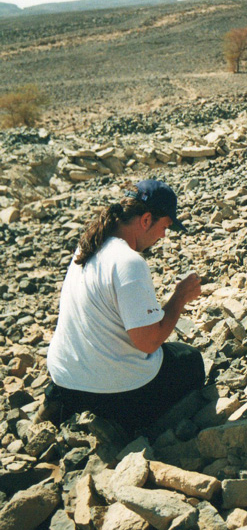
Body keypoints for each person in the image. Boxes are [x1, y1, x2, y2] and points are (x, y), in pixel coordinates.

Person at [42, 179, 205, 436]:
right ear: (146, 219)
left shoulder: (87, 247)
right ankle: (127, 430)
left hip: (65, 383)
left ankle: (63, 407)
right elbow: (149, 342)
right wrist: (179, 298)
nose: (163, 236)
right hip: (114, 398)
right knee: (190, 361)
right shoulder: (130, 262)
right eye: (164, 227)